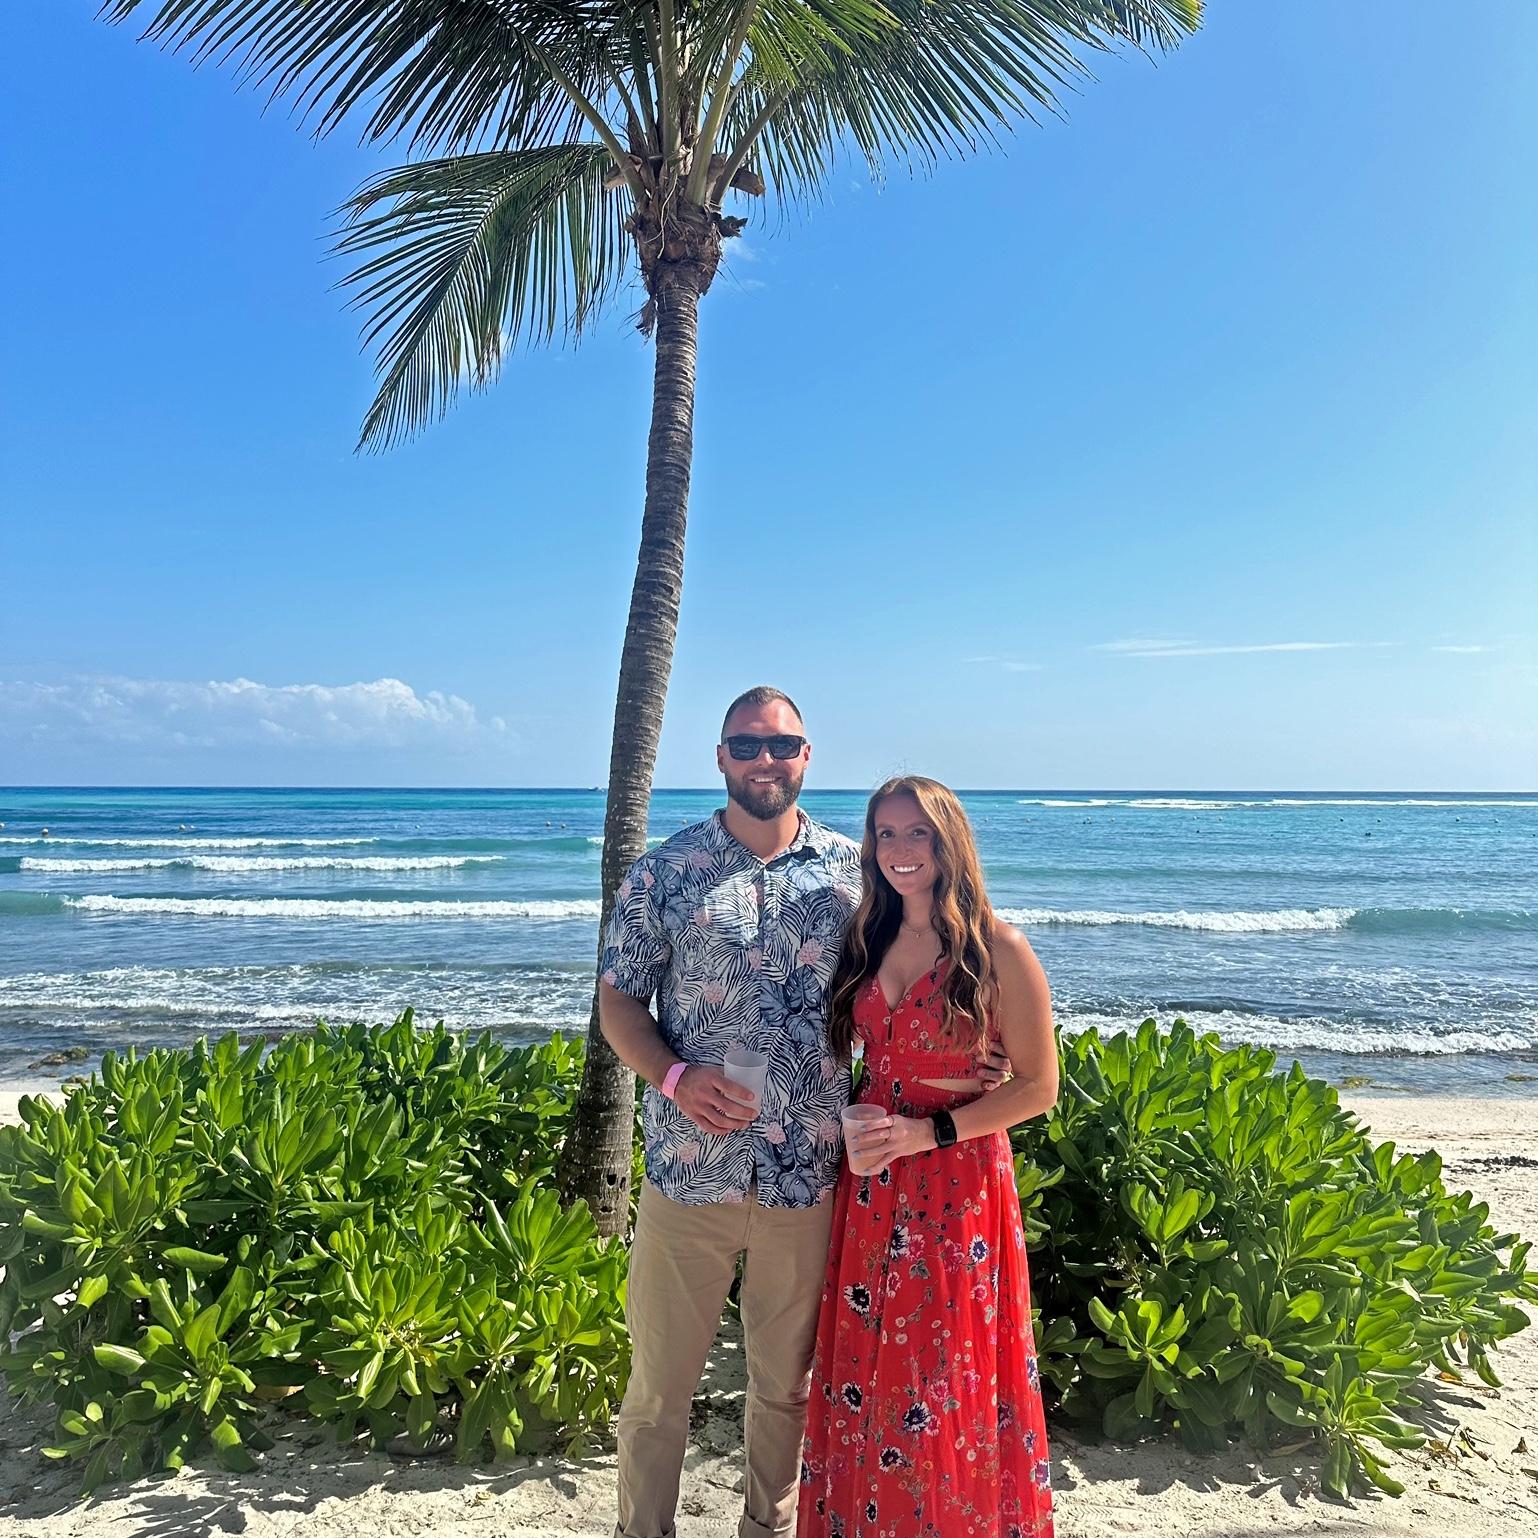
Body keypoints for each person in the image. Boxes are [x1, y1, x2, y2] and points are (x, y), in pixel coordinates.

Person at [598, 692, 1006, 1538]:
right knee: (658, 1392)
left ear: (806, 756)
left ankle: (767, 1529)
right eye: (747, 744)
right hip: (688, 1172)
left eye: (781, 745)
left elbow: (925, 968)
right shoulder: (664, 872)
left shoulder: (854, 876)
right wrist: (673, 1077)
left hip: (810, 1177)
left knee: (785, 1389)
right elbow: (619, 1006)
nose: (765, 760)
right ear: (720, 756)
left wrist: (981, 1055)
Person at [798, 775, 1060, 1538]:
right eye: (886, 833)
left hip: (956, 1181)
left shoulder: (998, 948)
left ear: (950, 843)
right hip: (872, 1182)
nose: (900, 849)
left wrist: (932, 1130)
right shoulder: (867, 938)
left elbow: (1040, 1086)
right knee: (864, 1368)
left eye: (918, 833)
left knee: (938, 1378)